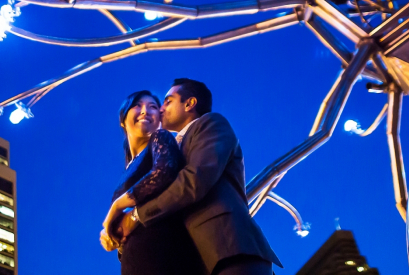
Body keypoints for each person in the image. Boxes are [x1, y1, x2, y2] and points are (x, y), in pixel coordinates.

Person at [106, 79, 282, 275]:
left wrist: (136, 215)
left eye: (167, 102)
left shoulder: (211, 124)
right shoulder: (172, 149)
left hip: (229, 248)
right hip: (201, 259)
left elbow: (193, 182)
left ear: (189, 104)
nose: (161, 110)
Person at [100, 90, 207, 275]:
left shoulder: (161, 138)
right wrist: (112, 238)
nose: (145, 111)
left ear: (159, 118)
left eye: (152, 107)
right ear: (123, 119)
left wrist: (117, 207)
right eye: (137, 105)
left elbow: (164, 173)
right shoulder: (128, 170)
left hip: (165, 256)